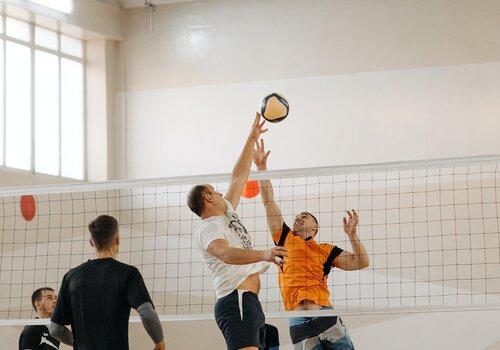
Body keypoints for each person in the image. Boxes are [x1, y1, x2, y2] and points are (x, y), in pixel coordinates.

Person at [253, 139, 370, 349]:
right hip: (297, 320)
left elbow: (361, 262)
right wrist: (261, 168)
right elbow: (268, 201)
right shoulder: (284, 237)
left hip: (324, 313)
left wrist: (352, 235)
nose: (298, 218)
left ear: (315, 228)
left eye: (305, 216)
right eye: (297, 216)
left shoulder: (325, 249)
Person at [187, 113, 287, 350]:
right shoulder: (209, 227)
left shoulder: (225, 215)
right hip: (236, 300)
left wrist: (251, 138)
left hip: (246, 300)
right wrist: (265, 254)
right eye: (215, 190)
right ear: (208, 197)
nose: (222, 193)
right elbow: (226, 254)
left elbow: (239, 177)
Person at [48, 215, 165, 350]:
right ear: (117, 240)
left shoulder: (71, 277)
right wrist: (159, 344)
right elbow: (147, 313)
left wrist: (78, 342)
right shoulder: (128, 273)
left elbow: (55, 329)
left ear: (91, 242)